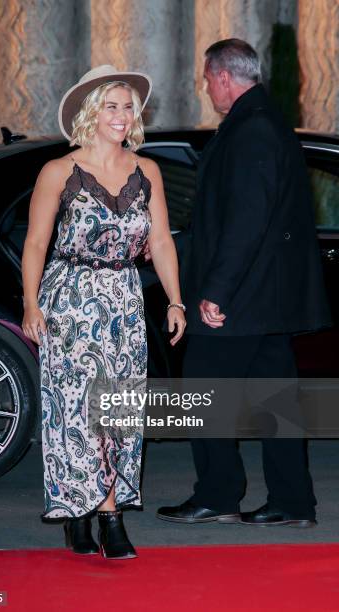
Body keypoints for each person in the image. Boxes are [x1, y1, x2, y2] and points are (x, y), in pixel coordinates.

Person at [157, 39, 331, 527]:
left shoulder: (251, 129)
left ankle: (217, 495)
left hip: (241, 301)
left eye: (207, 78)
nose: (206, 87)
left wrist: (217, 290)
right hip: (263, 302)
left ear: (224, 77)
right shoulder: (267, 122)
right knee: (278, 402)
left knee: (202, 392)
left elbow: (247, 220)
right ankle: (293, 502)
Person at [21, 65, 186, 559]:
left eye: (128, 106)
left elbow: (160, 241)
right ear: (92, 112)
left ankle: (83, 510)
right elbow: (35, 243)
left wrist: (175, 299)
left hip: (123, 301)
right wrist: (31, 302)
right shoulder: (58, 172)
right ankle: (106, 515)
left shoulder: (147, 170)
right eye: (112, 105)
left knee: (120, 408)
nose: (122, 115)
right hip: (69, 301)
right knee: (79, 412)